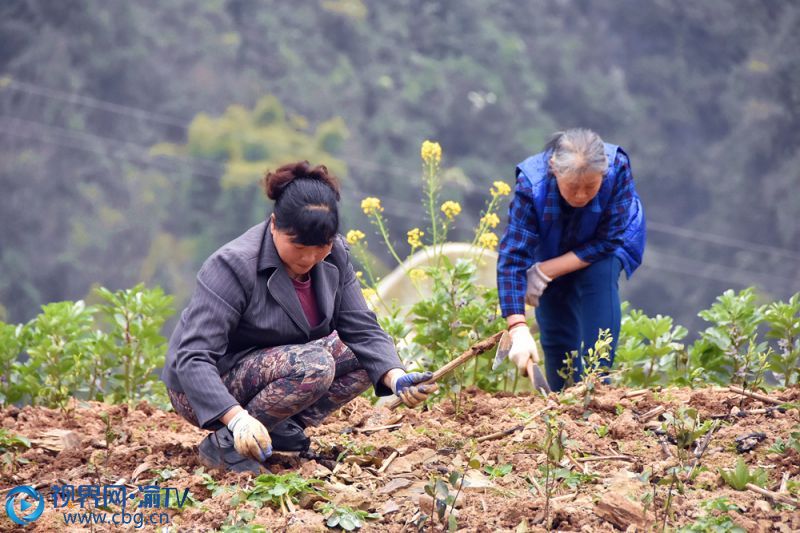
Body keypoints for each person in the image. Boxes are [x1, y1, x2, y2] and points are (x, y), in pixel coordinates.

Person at [160, 161, 435, 473]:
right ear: (275, 224)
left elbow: (361, 328)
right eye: (299, 246)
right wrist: (236, 419)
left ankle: (276, 429)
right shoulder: (233, 266)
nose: (310, 258)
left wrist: (396, 377)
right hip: (205, 385)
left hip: (278, 367)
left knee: (367, 356)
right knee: (314, 365)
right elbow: (193, 358)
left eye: (322, 247)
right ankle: (225, 444)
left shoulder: (336, 256)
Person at [497, 128, 646, 391]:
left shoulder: (617, 168)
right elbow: (513, 257)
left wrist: (545, 270)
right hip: (553, 243)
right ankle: (562, 397)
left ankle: (596, 386)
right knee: (554, 326)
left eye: (590, 187)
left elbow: (608, 241)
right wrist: (518, 327)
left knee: (600, 276)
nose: (580, 196)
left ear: (605, 172)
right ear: (554, 168)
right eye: (572, 187)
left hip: (607, 243)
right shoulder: (532, 186)